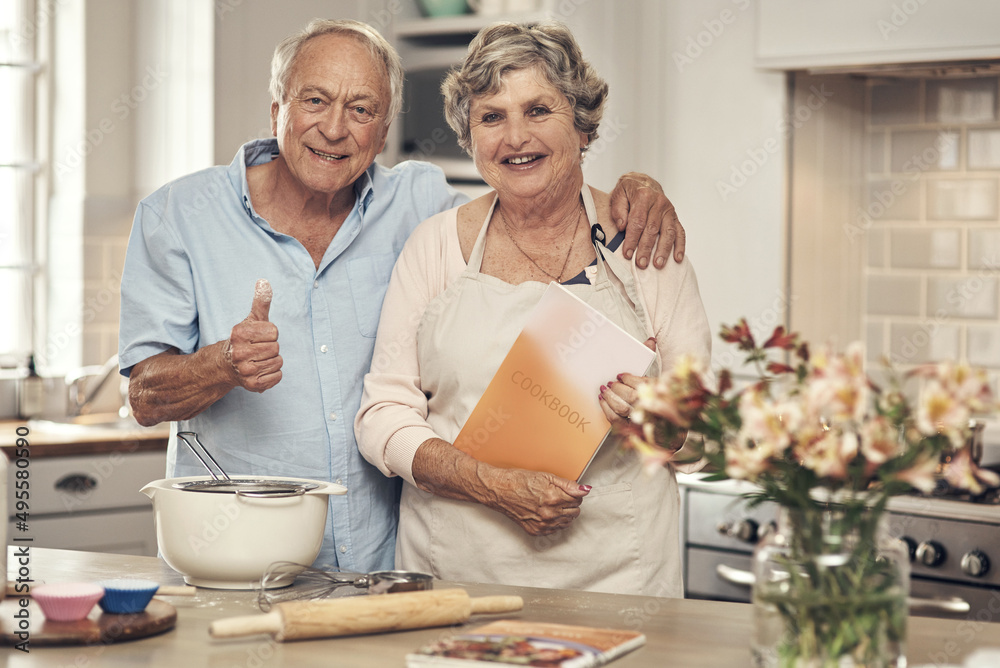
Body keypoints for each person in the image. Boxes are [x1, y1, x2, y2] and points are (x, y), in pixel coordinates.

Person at [119, 18, 689, 574]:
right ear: (277, 111)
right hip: (234, 554)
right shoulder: (177, 217)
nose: (335, 129)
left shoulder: (419, 204)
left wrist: (636, 190)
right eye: (315, 101)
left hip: (380, 565)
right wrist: (223, 364)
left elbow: (532, 196)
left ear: (384, 128)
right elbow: (144, 399)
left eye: (361, 109)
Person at [355, 21, 711, 596]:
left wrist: (663, 426)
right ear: (469, 136)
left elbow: (710, 434)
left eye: (539, 110)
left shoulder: (646, 245)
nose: (515, 136)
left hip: (622, 584)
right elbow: (382, 416)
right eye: (491, 116)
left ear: (583, 124)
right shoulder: (436, 245)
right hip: (457, 581)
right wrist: (488, 482)